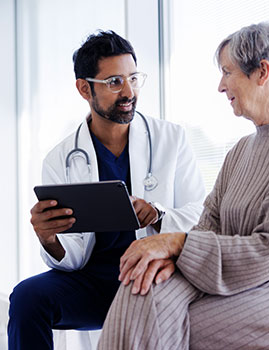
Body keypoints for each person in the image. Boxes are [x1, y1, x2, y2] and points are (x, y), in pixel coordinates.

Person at [97, 21, 269, 350]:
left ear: (262, 72)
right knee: (140, 287)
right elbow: (210, 224)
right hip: (226, 275)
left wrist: (178, 245)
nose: (221, 86)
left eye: (227, 71)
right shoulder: (240, 151)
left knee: (173, 324)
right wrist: (170, 256)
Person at [7, 30, 205, 350]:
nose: (128, 91)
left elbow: (201, 214)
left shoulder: (172, 139)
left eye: (133, 78)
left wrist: (159, 213)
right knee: (27, 298)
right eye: (114, 82)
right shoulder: (60, 159)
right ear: (85, 89)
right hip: (95, 282)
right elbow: (70, 259)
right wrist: (48, 239)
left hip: (154, 272)